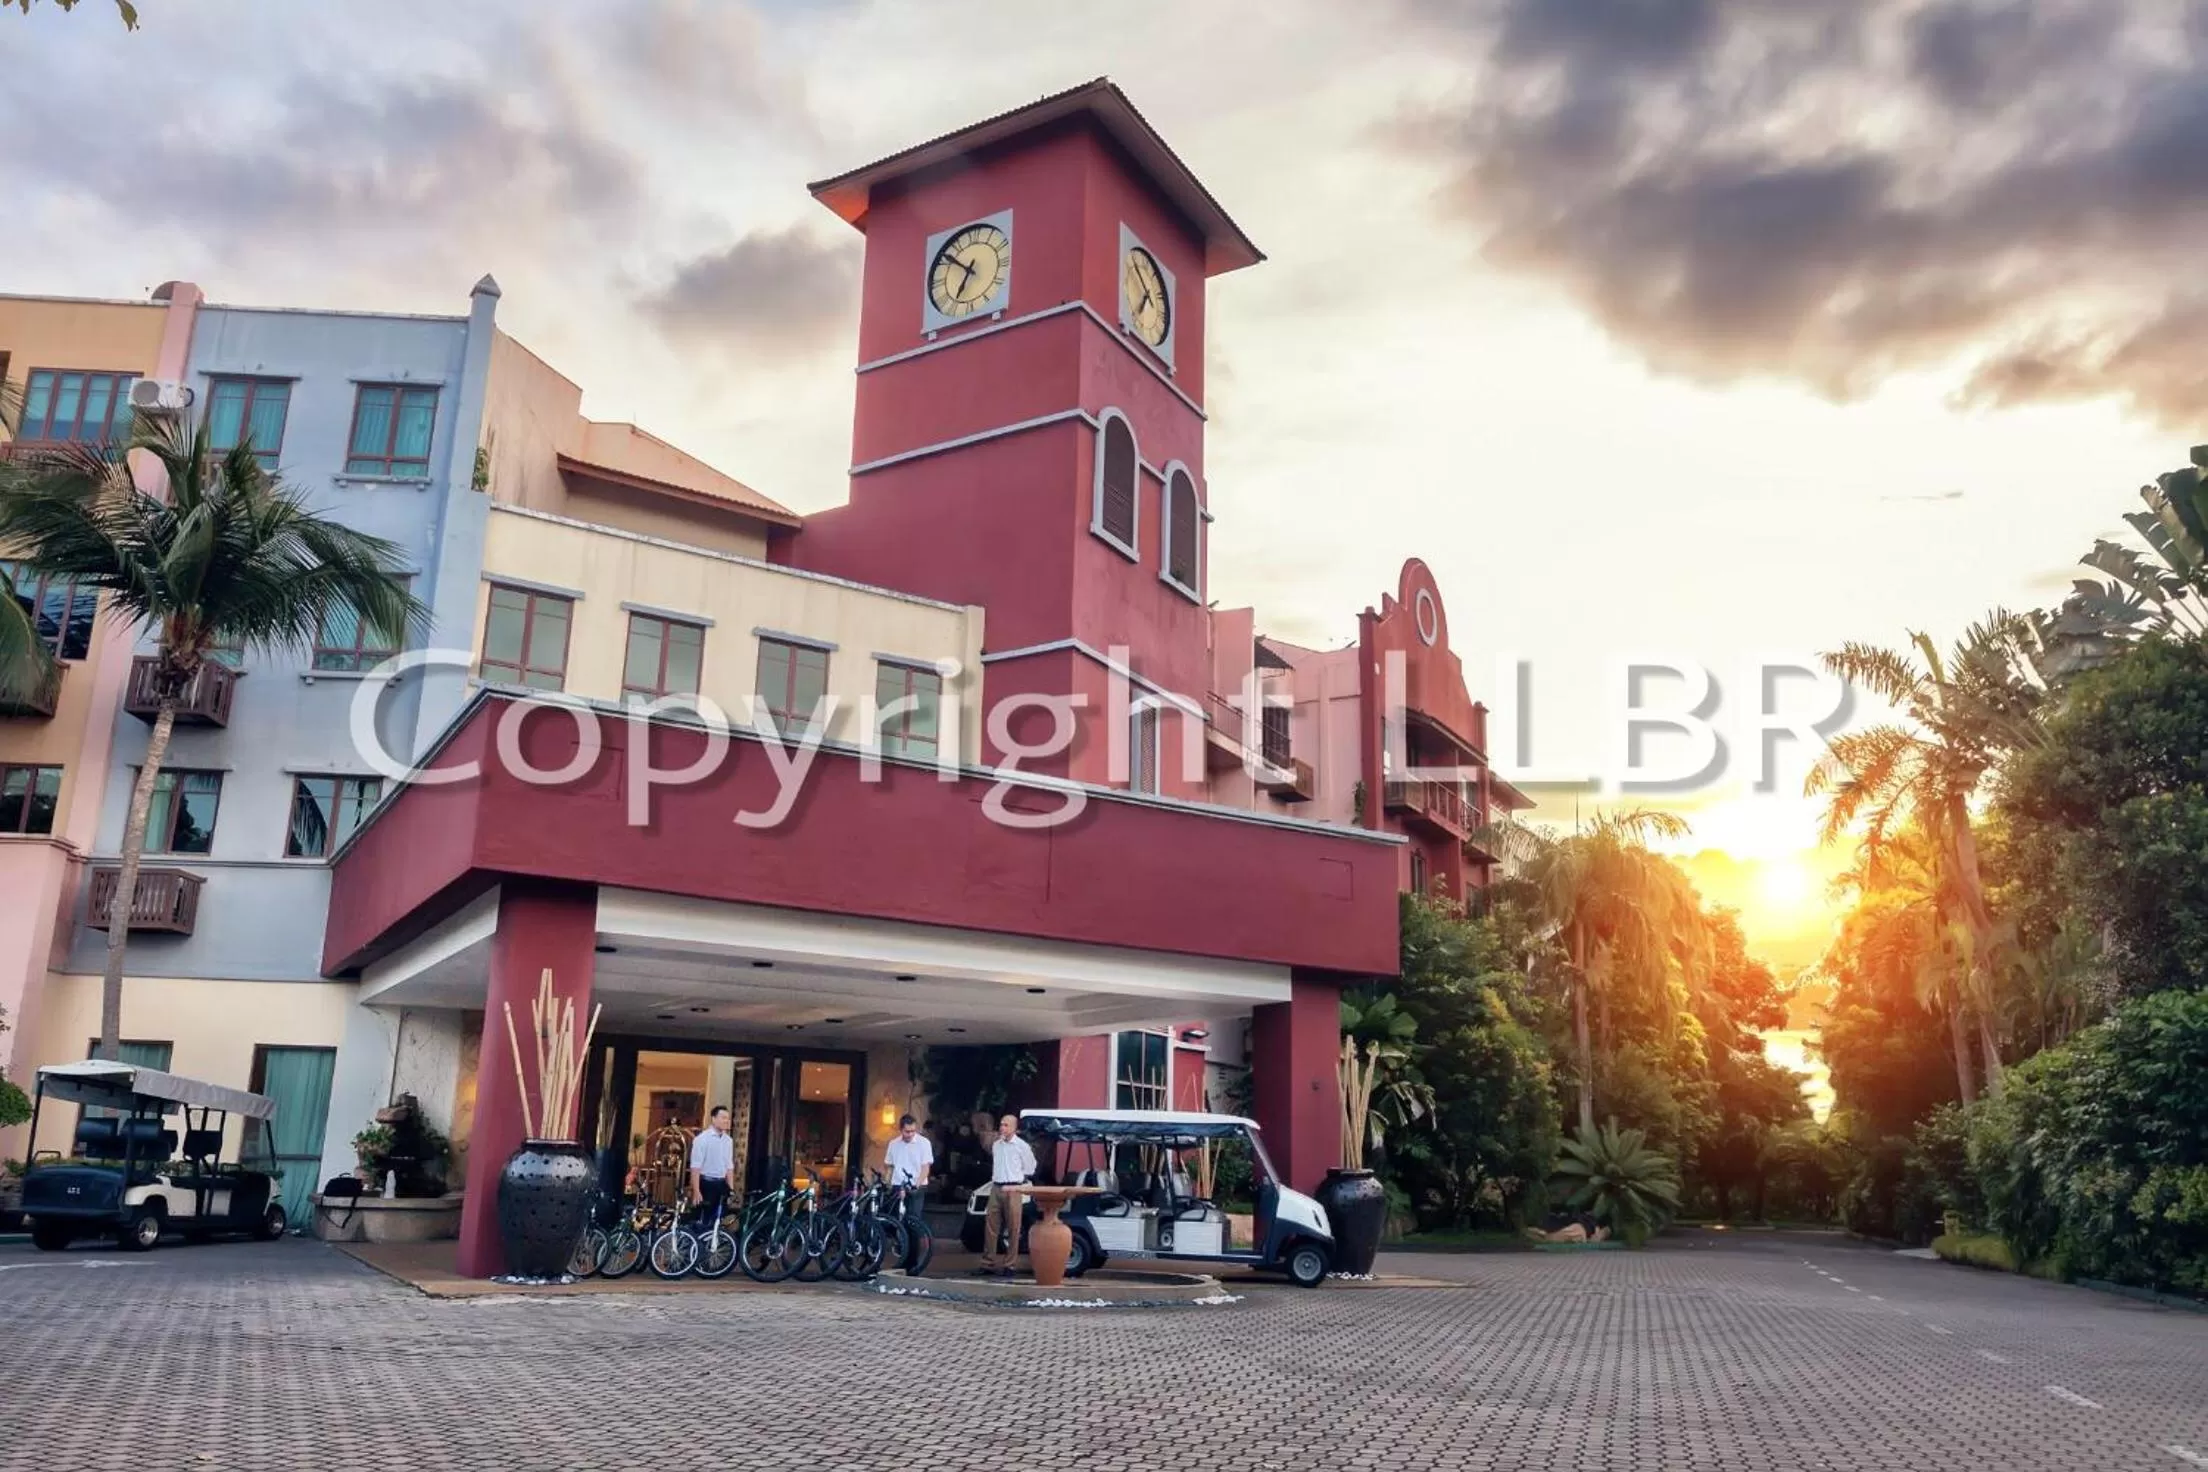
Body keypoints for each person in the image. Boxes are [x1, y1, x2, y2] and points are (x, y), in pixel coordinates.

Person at [977, 1112, 1036, 1276]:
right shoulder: (997, 1145)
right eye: (1001, 1124)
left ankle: (1010, 1265)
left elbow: (1031, 1167)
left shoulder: (1022, 1146)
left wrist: (1018, 1178)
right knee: (991, 1226)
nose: (1002, 1127)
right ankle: (988, 1263)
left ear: (1014, 1128)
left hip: (1013, 1187)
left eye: (1006, 1125)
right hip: (996, 1187)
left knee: (1013, 1227)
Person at [688, 1104, 735, 1221]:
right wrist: (696, 1190)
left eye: (728, 1118)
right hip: (706, 1183)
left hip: (721, 1183)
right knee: (704, 1217)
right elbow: (695, 1167)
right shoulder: (702, 1139)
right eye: (723, 1117)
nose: (726, 1121)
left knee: (720, 1218)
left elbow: (729, 1166)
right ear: (713, 1119)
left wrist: (731, 1188)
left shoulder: (728, 1140)